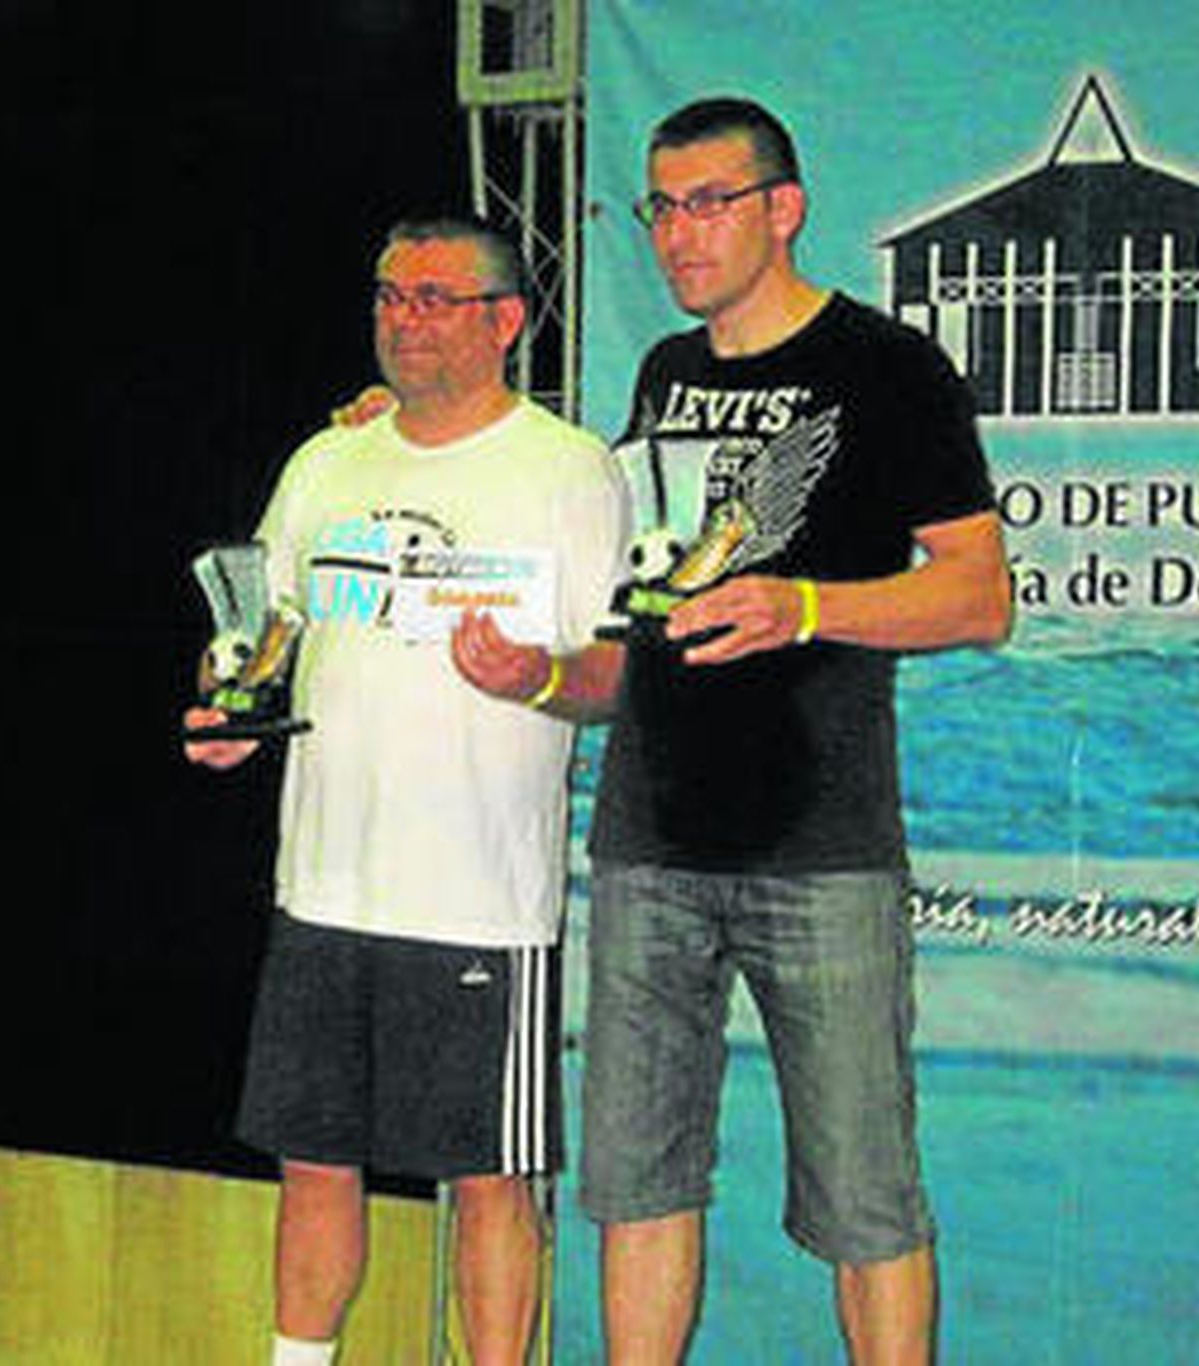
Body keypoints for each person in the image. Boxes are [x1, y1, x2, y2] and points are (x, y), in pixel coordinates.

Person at [450, 98, 1012, 1364]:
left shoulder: (889, 368)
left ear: (782, 209)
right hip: (649, 839)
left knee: (866, 1195)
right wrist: (536, 674)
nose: (679, 234)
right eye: (661, 207)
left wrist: (803, 602)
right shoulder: (661, 373)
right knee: (639, 1184)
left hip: (823, 846)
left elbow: (980, 597)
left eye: (710, 202)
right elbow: (644, 623)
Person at [185, 215, 627, 1366]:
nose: (405, 318)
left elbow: (616, 671)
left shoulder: (566, 467)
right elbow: (262, 631)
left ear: (505, 322)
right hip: (325, 883)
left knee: (487, 1177)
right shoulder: (327, 460)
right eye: (390, 295)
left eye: (436, 298)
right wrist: (229, 706)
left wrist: (535, 676)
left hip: (477, 897)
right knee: (311, 1159)